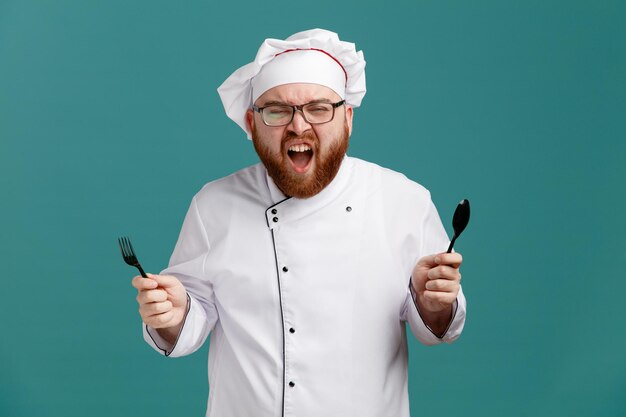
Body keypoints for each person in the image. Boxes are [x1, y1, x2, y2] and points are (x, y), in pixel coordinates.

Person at [131, 28, 466, 417]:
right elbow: (189, 321)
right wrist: (171, 316)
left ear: (348, 119)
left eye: (319, 108)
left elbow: (437, 328)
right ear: (252, 124)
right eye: (277, 110)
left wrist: (434, 303)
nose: (299, 126)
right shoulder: (214, 205)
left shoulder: (404, 201)